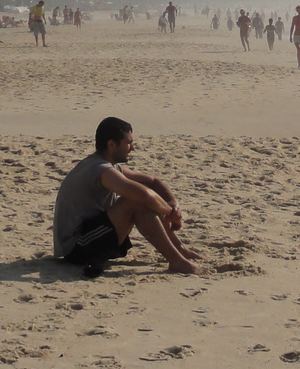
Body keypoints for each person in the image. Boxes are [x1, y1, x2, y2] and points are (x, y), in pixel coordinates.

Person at [53, 116, 203, 278]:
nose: (132, 148)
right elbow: (145, 195)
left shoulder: (110, 166)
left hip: (94, 236)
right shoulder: (100, 169)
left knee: (142, 203)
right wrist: (170, 213)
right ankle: (177, 261)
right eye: (129, 142)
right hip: (77, 248)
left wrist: (173, 204)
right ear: (111, 145)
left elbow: (153, 182)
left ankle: (179, 251)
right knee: (136, 201)